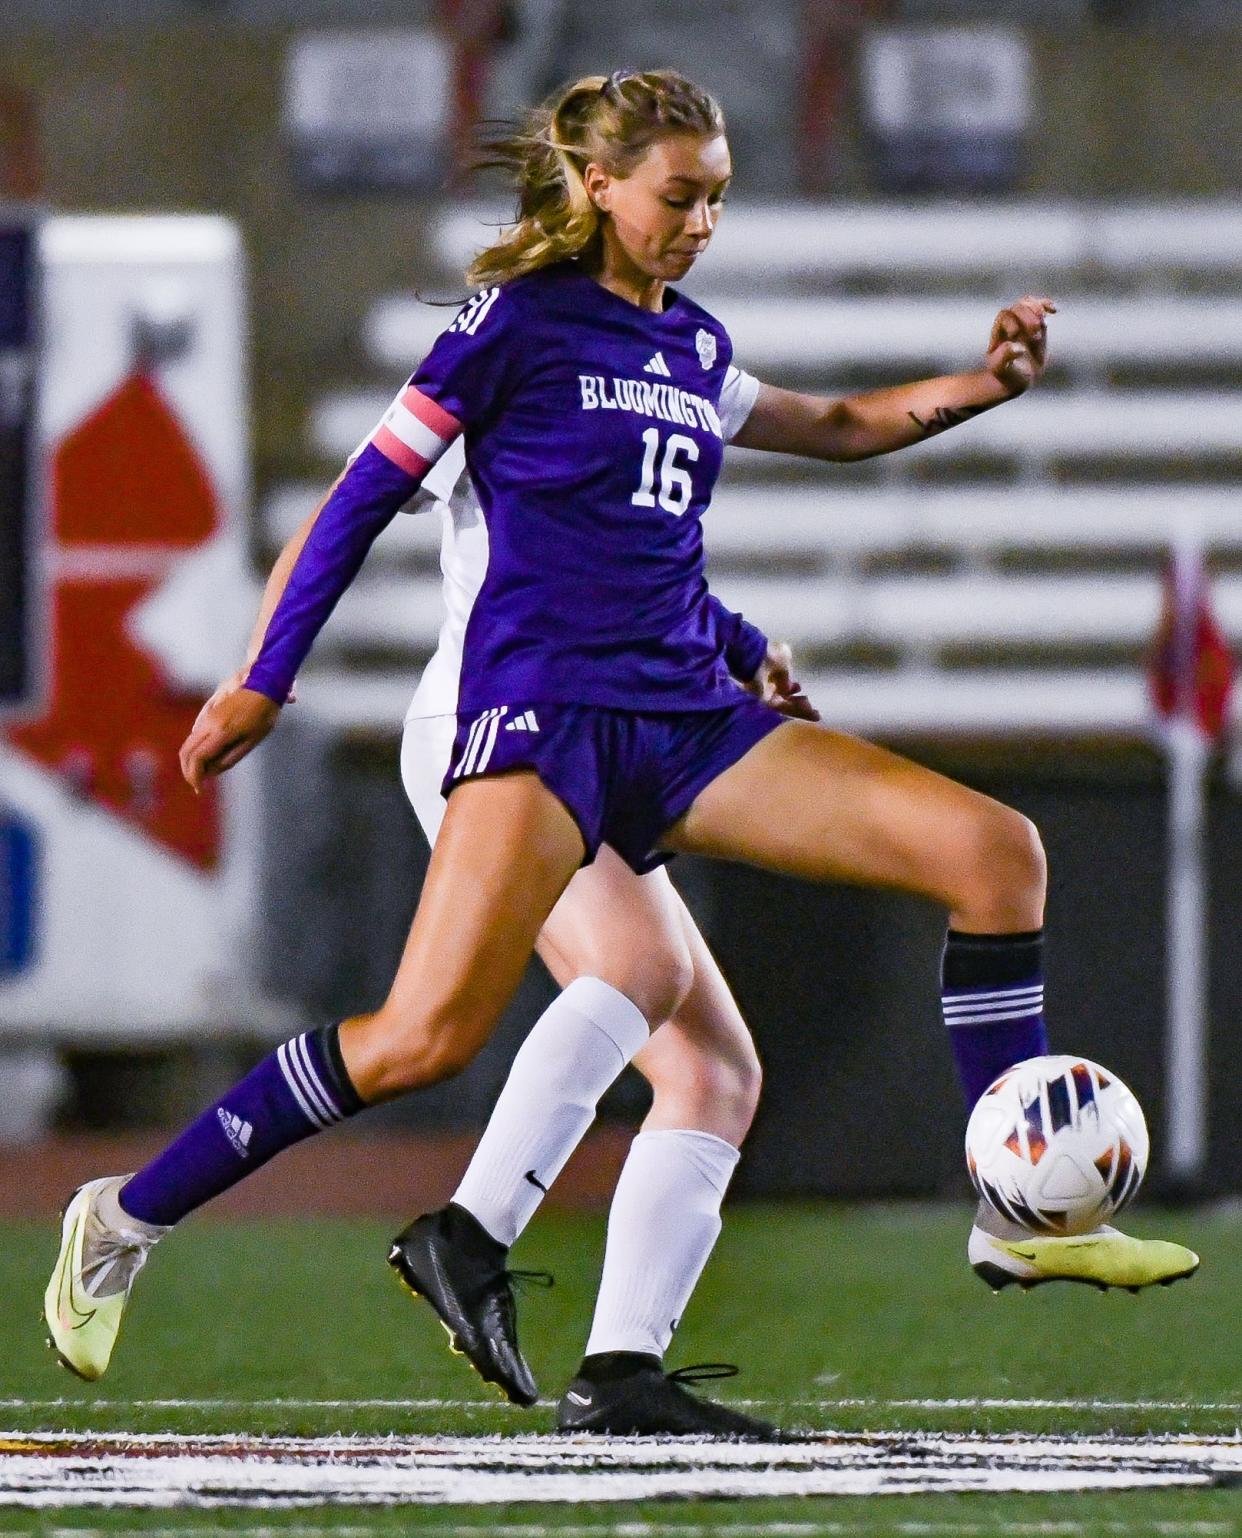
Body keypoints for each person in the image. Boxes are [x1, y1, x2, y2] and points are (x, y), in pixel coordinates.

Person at [45, 68, 1198, 1440]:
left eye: (715, 195)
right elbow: (358, 499)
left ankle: (1012, 1213)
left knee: (992, 851)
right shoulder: (513, 326)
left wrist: (980, 385)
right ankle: (122, 1215)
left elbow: (823, 433)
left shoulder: (695, 351)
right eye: (678, 194)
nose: (701, 220)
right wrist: (260, 679)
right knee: (423, 1036)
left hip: (685, 719)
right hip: (539, 717)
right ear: (598, 187)